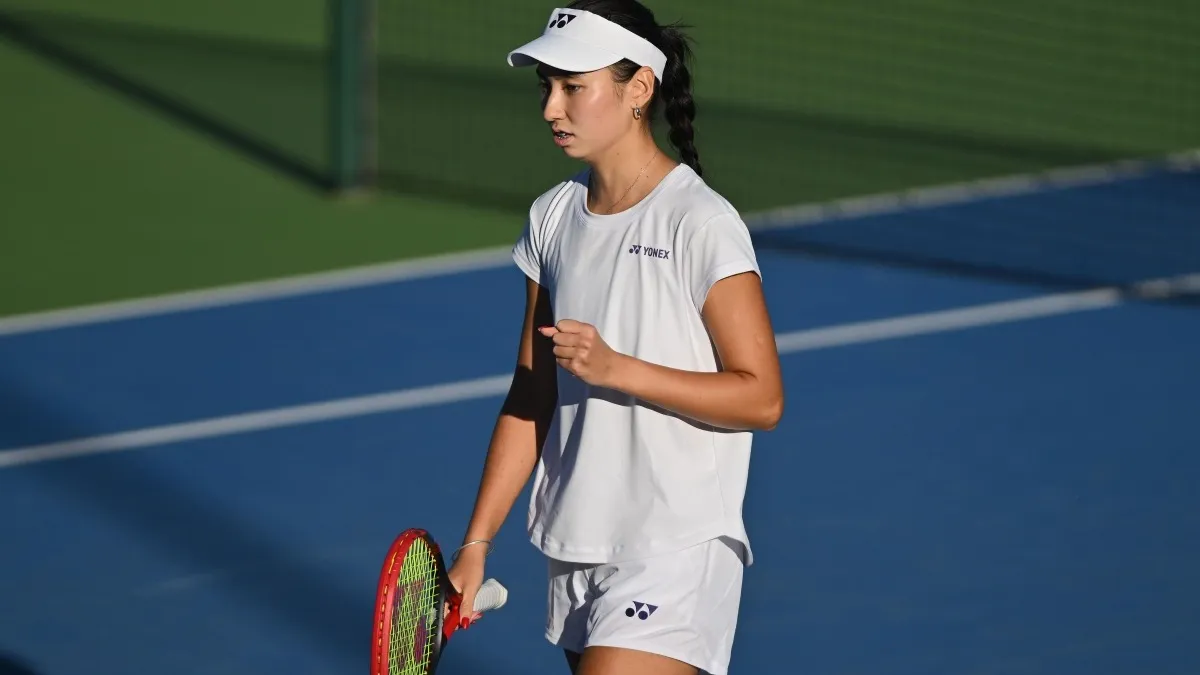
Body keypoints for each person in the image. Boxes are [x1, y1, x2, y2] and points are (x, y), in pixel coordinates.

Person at [446, 2, 784, 674]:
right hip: (577, 541)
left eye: (574, 86)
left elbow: (762, 398)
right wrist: (476, 543)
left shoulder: (699, 223)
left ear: (639, 90)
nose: (552, 107)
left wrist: (618, 368)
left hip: (675, 542)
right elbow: (532, 392)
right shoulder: (552, 217)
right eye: (547, 86)